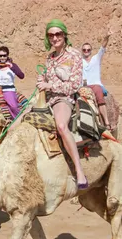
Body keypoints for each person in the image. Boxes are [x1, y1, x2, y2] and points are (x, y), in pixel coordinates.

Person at [37, 19, 88, 189]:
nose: (54, 38)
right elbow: (46, 77)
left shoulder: (74, 55)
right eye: (51, 35)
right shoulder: (50, 58)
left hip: (64, 98)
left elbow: (74, 85)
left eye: (58, 34)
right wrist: (41, 80)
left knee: (60, 125)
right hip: (47, 97)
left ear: (64, 35)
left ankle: (79, 171)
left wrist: (50, 85)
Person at [81, 30, 113, 129]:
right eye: (84, 50)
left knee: (99, 95)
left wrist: (107, 36)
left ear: (91, 50)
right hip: (83, 86)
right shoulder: (79, 61)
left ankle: (106, 122)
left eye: (88, 49)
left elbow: (103, 46)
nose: (86, 51)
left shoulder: (96, 58)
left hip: (95, 84)